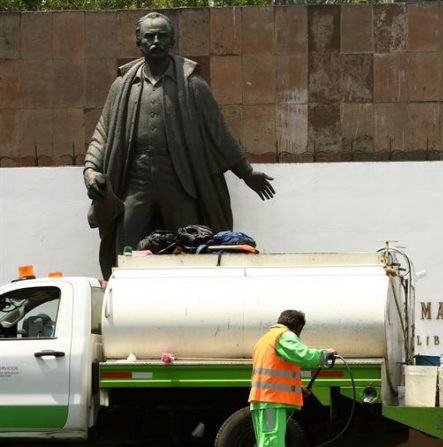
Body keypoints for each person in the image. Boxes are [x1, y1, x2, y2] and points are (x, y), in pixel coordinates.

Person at [83, 12, 275, 279]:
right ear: (138, 41)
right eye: (149, 36)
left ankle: (194, 299)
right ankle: (125, 297)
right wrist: (91, 169)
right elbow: (102, 132)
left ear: (172, 39)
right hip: (135, 180)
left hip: (179, 177)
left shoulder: (192, 83)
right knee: (126, 244)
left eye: (162, 35)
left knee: (191, 240)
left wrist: (245, 172)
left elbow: (219, 132)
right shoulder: (122, 85)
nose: (156, 41)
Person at [249, 310, 336, 447]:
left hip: (264, 401)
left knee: (267, 441)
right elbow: (304, 356)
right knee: (272, 443)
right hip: (272, 402)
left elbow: (272, 373)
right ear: (299, 328)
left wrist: (297, 389)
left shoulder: (266, 339)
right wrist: (325, 354)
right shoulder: (284, 336)